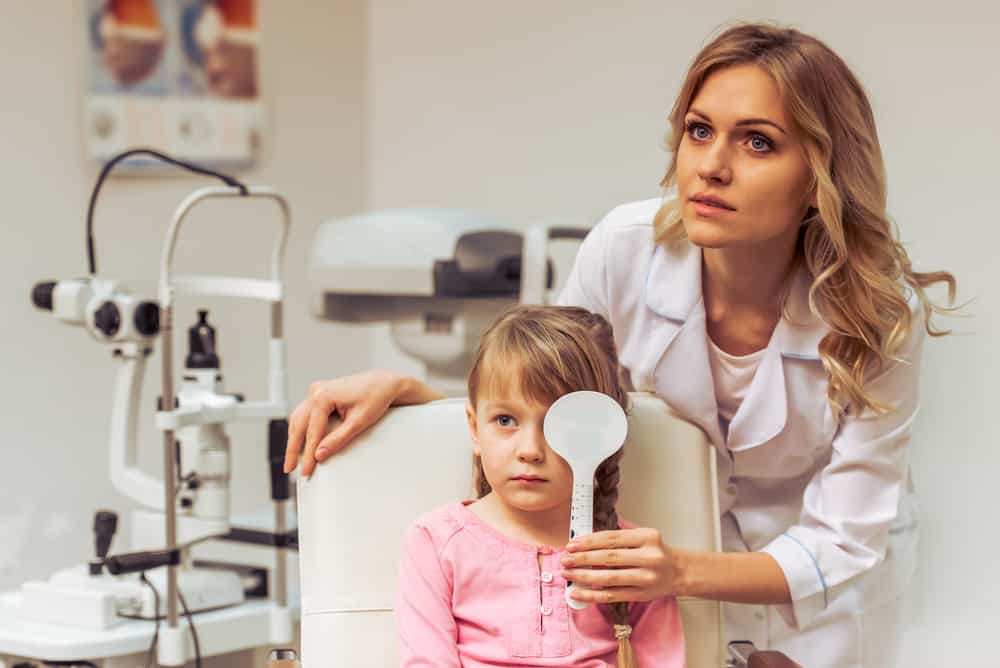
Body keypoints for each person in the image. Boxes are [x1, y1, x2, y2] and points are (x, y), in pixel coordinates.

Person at [284, 22, 957, 667]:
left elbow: (841, 539)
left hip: (821, 598)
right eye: (700, 131)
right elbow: (544, 392)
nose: (712, 167)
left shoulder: (876, 312)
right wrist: (413, 395)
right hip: (657, 583)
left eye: (757, 143)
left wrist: (681, 570)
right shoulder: (624, 250)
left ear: (820, 173)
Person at [394, 305, 685, 667]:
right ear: (474, 428)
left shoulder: (632, 555)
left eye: (555, 425)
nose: (530, 450)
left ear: (600, 437)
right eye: (505, 420)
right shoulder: (434, 542)